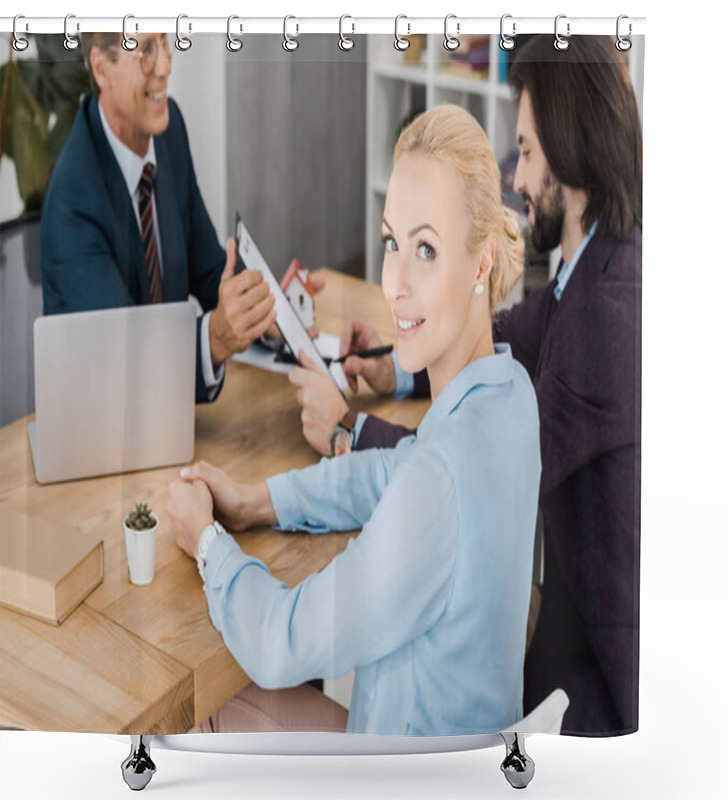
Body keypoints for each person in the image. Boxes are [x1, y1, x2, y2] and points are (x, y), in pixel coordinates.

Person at [292, 36, 642, 736]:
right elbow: (511, 327)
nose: (516, 177)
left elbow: (479, 460)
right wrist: (399, 362)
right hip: (563, 619)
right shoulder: (595, 268)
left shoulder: (606, 315)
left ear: (571, 155)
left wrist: (346, 429)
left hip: (593, 682)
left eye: (528, 152)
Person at [167, 104, 541, 736]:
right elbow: (395, 471)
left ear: (481, 263)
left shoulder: (438, 484)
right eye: (393, 242)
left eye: (427, 248)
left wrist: (208, 542)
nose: (394, 282)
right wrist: (260, 501)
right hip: (460, 766)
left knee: (199, 716)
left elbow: (281, 642)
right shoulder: (512, 396)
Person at [40, 31, 280, 403]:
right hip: (104, 427)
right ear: (102, 69)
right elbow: (127, 357)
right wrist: (215, 337)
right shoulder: (73, 199)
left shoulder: (168, 133)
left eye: (165, 44)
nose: (165, 67)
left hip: (172, 423)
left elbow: (210, 270)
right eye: (145, 51)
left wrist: (269, 313)